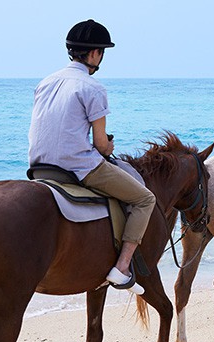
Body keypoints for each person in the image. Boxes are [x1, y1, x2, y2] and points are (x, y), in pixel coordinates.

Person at [27, 19, 154, 295]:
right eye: (102, 52)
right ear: (95, 54)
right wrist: (108, 147)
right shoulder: (93, 87)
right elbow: (99, 144)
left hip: (39, 166)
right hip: (77, 167)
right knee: (145, 198)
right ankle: (121, 268)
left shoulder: (45, 82)